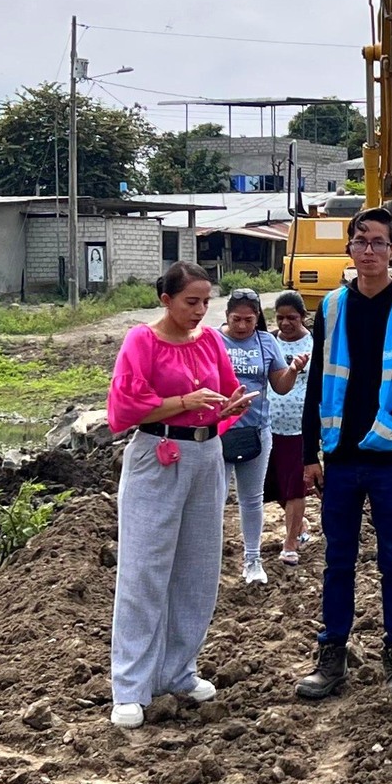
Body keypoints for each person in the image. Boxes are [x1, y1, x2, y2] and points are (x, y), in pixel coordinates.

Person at [296, 206, 392, 701]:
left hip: (391, 460)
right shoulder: (331, 307)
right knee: (337, 561)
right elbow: (317, 384)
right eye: (361, 241)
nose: (369, 250)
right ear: (349, 248)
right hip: (340, 456)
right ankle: (332, 655)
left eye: (378, 242)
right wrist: (309, 454)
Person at [105, 262, 255, 727]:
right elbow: (127, 405)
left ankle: (178, 670)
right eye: (191, 301)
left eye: (206, 301)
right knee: (144, 569)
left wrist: (228, 406)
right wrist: (183, 403)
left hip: (206, 455)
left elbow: (225, 391)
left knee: (198, 569)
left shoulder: (209, 341)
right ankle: (131, 685)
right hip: (158, 455)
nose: (201, 310)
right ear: (165, 299)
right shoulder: (142, 341)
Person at [217, 288, 302, 586]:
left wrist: (293, 370)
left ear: (257, 319)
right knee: (214, 499)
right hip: (217, 432)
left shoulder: (266, 343)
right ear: (226, 316)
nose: (242, 326)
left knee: (252, 498)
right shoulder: (213, 340)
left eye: (249, 320)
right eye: (236, 319)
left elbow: (280, 386)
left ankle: (252, 560)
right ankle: (209, 559)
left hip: (256, 431)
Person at [264, 290, 316, 564]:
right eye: (280, 318)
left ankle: (291, 542)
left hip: (299, 427)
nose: (285, 323)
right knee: (274, 484)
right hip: (268, 424)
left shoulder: (314, 344)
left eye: (292, 318)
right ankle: (300, 525)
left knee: (295, 485)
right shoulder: (269, 342)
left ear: (303, 317)